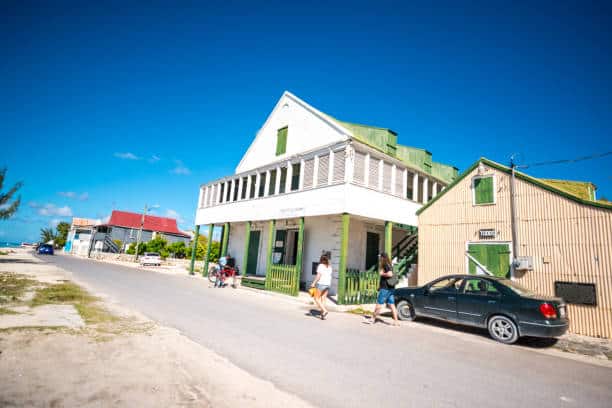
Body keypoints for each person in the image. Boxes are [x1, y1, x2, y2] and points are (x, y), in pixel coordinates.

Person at [370, 252, 399, 325]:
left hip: (385, 288)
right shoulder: (389, 265)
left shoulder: (385, 265)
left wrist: (382, 274)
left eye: (380, 257)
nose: (379, 258)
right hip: (390, 288)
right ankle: (396, 321)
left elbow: (390, 274)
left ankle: (373, 318)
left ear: (383, 258)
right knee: (392, 304)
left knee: (379, 304)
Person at [311, 254, 332, 320]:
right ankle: (323, 314)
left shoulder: (320, 266)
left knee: (316, 298)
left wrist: (313, 283)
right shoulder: (329, 267)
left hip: (321, 284)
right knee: (323, 298)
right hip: (328, 284)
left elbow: (318, 276)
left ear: (321, 259)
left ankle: (324, 310)